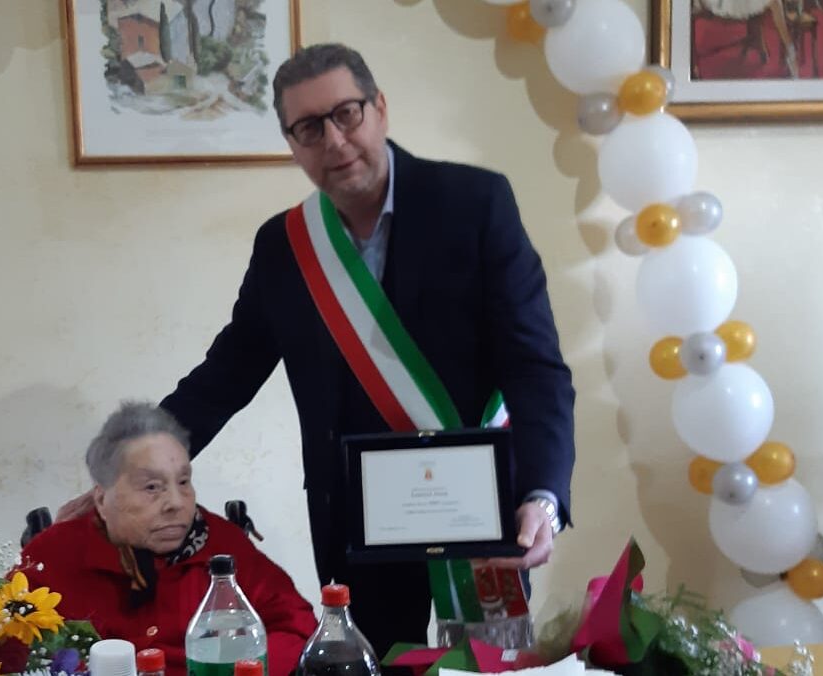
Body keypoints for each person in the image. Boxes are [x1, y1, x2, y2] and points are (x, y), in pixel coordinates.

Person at [64, 43, 575, 656]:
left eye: (346, 114)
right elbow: (227, 374)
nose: (333, 140)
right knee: (372, 662)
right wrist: (127, 470)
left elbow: (534, 366)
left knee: (488, 664)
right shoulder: (286, 246)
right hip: (356, 518)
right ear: (292, 143)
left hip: (478, 510)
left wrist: (543, 495)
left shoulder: (476, 204)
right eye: (308, 127)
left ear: (379, 108)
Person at [20, 402, 317, 676]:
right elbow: (6, 643)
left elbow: (295, 625)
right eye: (152, 487)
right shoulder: (54, 555)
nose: (176, 503)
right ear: (101, 499)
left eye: (184, 481)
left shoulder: (223, 546)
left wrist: (239, 670)